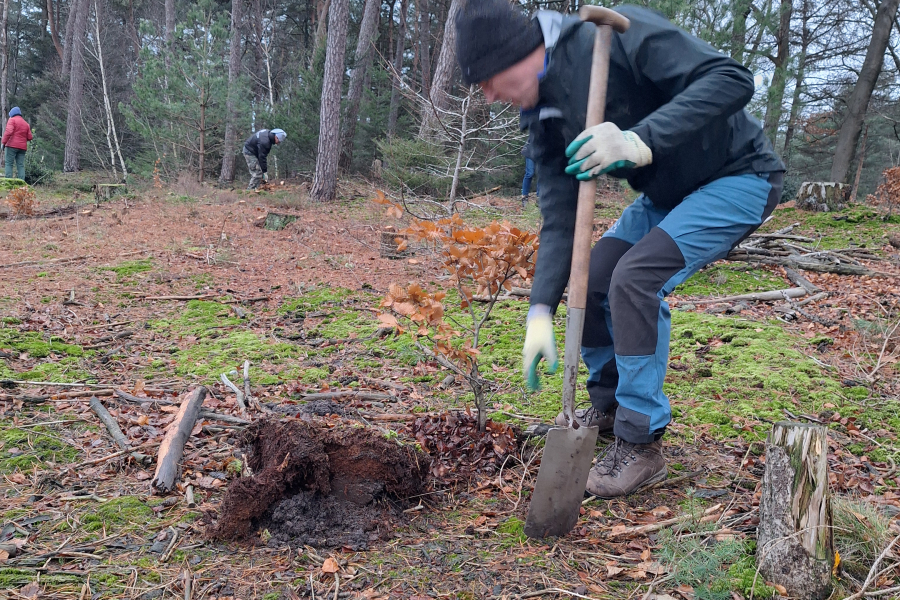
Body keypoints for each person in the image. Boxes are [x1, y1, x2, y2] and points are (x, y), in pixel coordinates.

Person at [455, 1, 784, 498]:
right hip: (668, 195)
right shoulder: (541, 114)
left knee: (634, 279)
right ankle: (608, 405)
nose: (487, 95)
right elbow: (560, 218)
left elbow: (732, 79)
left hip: (739, 176)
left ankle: (641, 440)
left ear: (515, 54)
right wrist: (540, 309)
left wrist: (640, 139)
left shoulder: (616, 36)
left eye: (486, 80)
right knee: (593, 273)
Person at [1, 107, 33, 180]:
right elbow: (30, 137)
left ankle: (8, 181)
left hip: (11, 146)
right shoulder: (26, 124)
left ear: (12, 114)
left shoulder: (12, 120)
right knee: (20, 165)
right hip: (22, 148)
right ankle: (22, 182)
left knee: (9, 163)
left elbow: (8, 132)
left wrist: (3, 142)